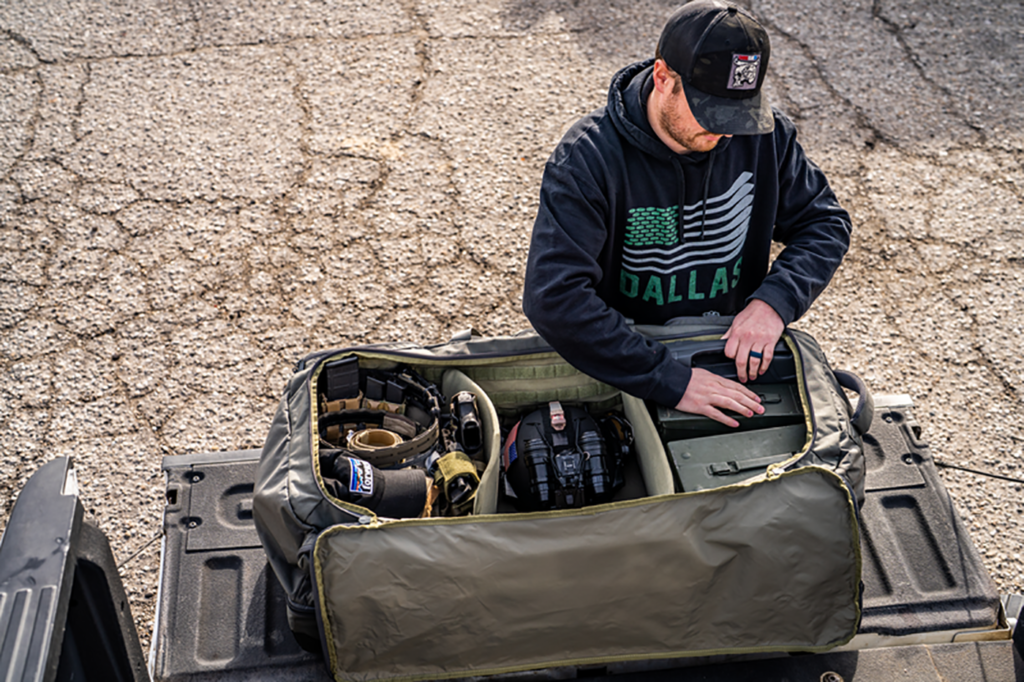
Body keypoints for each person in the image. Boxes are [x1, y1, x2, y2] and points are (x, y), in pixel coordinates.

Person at [522, 0, 852, 427]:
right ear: (663, 77)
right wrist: (669, 379)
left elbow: (825, 223)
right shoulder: (587, 160)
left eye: (738, 112)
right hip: (626, 357)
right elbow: (554, 297)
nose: (727, 130)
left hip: (725, 354)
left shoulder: (766, 138)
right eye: (710, 112)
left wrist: (774, 303)